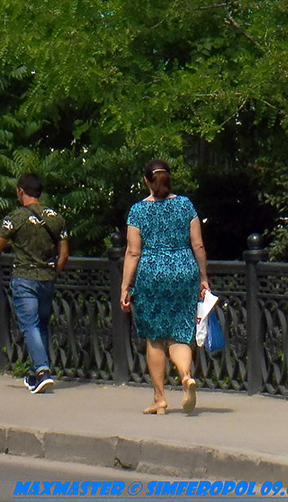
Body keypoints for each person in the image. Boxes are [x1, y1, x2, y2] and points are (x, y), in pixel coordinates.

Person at [119, 159, 210, 415]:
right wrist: (203, 277)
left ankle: (159, 398)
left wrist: (125, 286)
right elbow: (198, 245)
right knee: (181, 333)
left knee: (155, 338)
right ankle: (184, 376)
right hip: (184, 271)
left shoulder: (138, 211)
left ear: (146, 180)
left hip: (152, 274)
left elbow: (133, 252)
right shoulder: (185, 205)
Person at [0, 172, 70, 393]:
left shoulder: (15, 218)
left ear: (21, 191)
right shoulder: (56, 217)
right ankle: (35, 373)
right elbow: (64, 254)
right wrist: (54, 271)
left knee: (29, 325)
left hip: (24, 279)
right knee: (42, 325)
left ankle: (42, 370)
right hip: (47, 279)